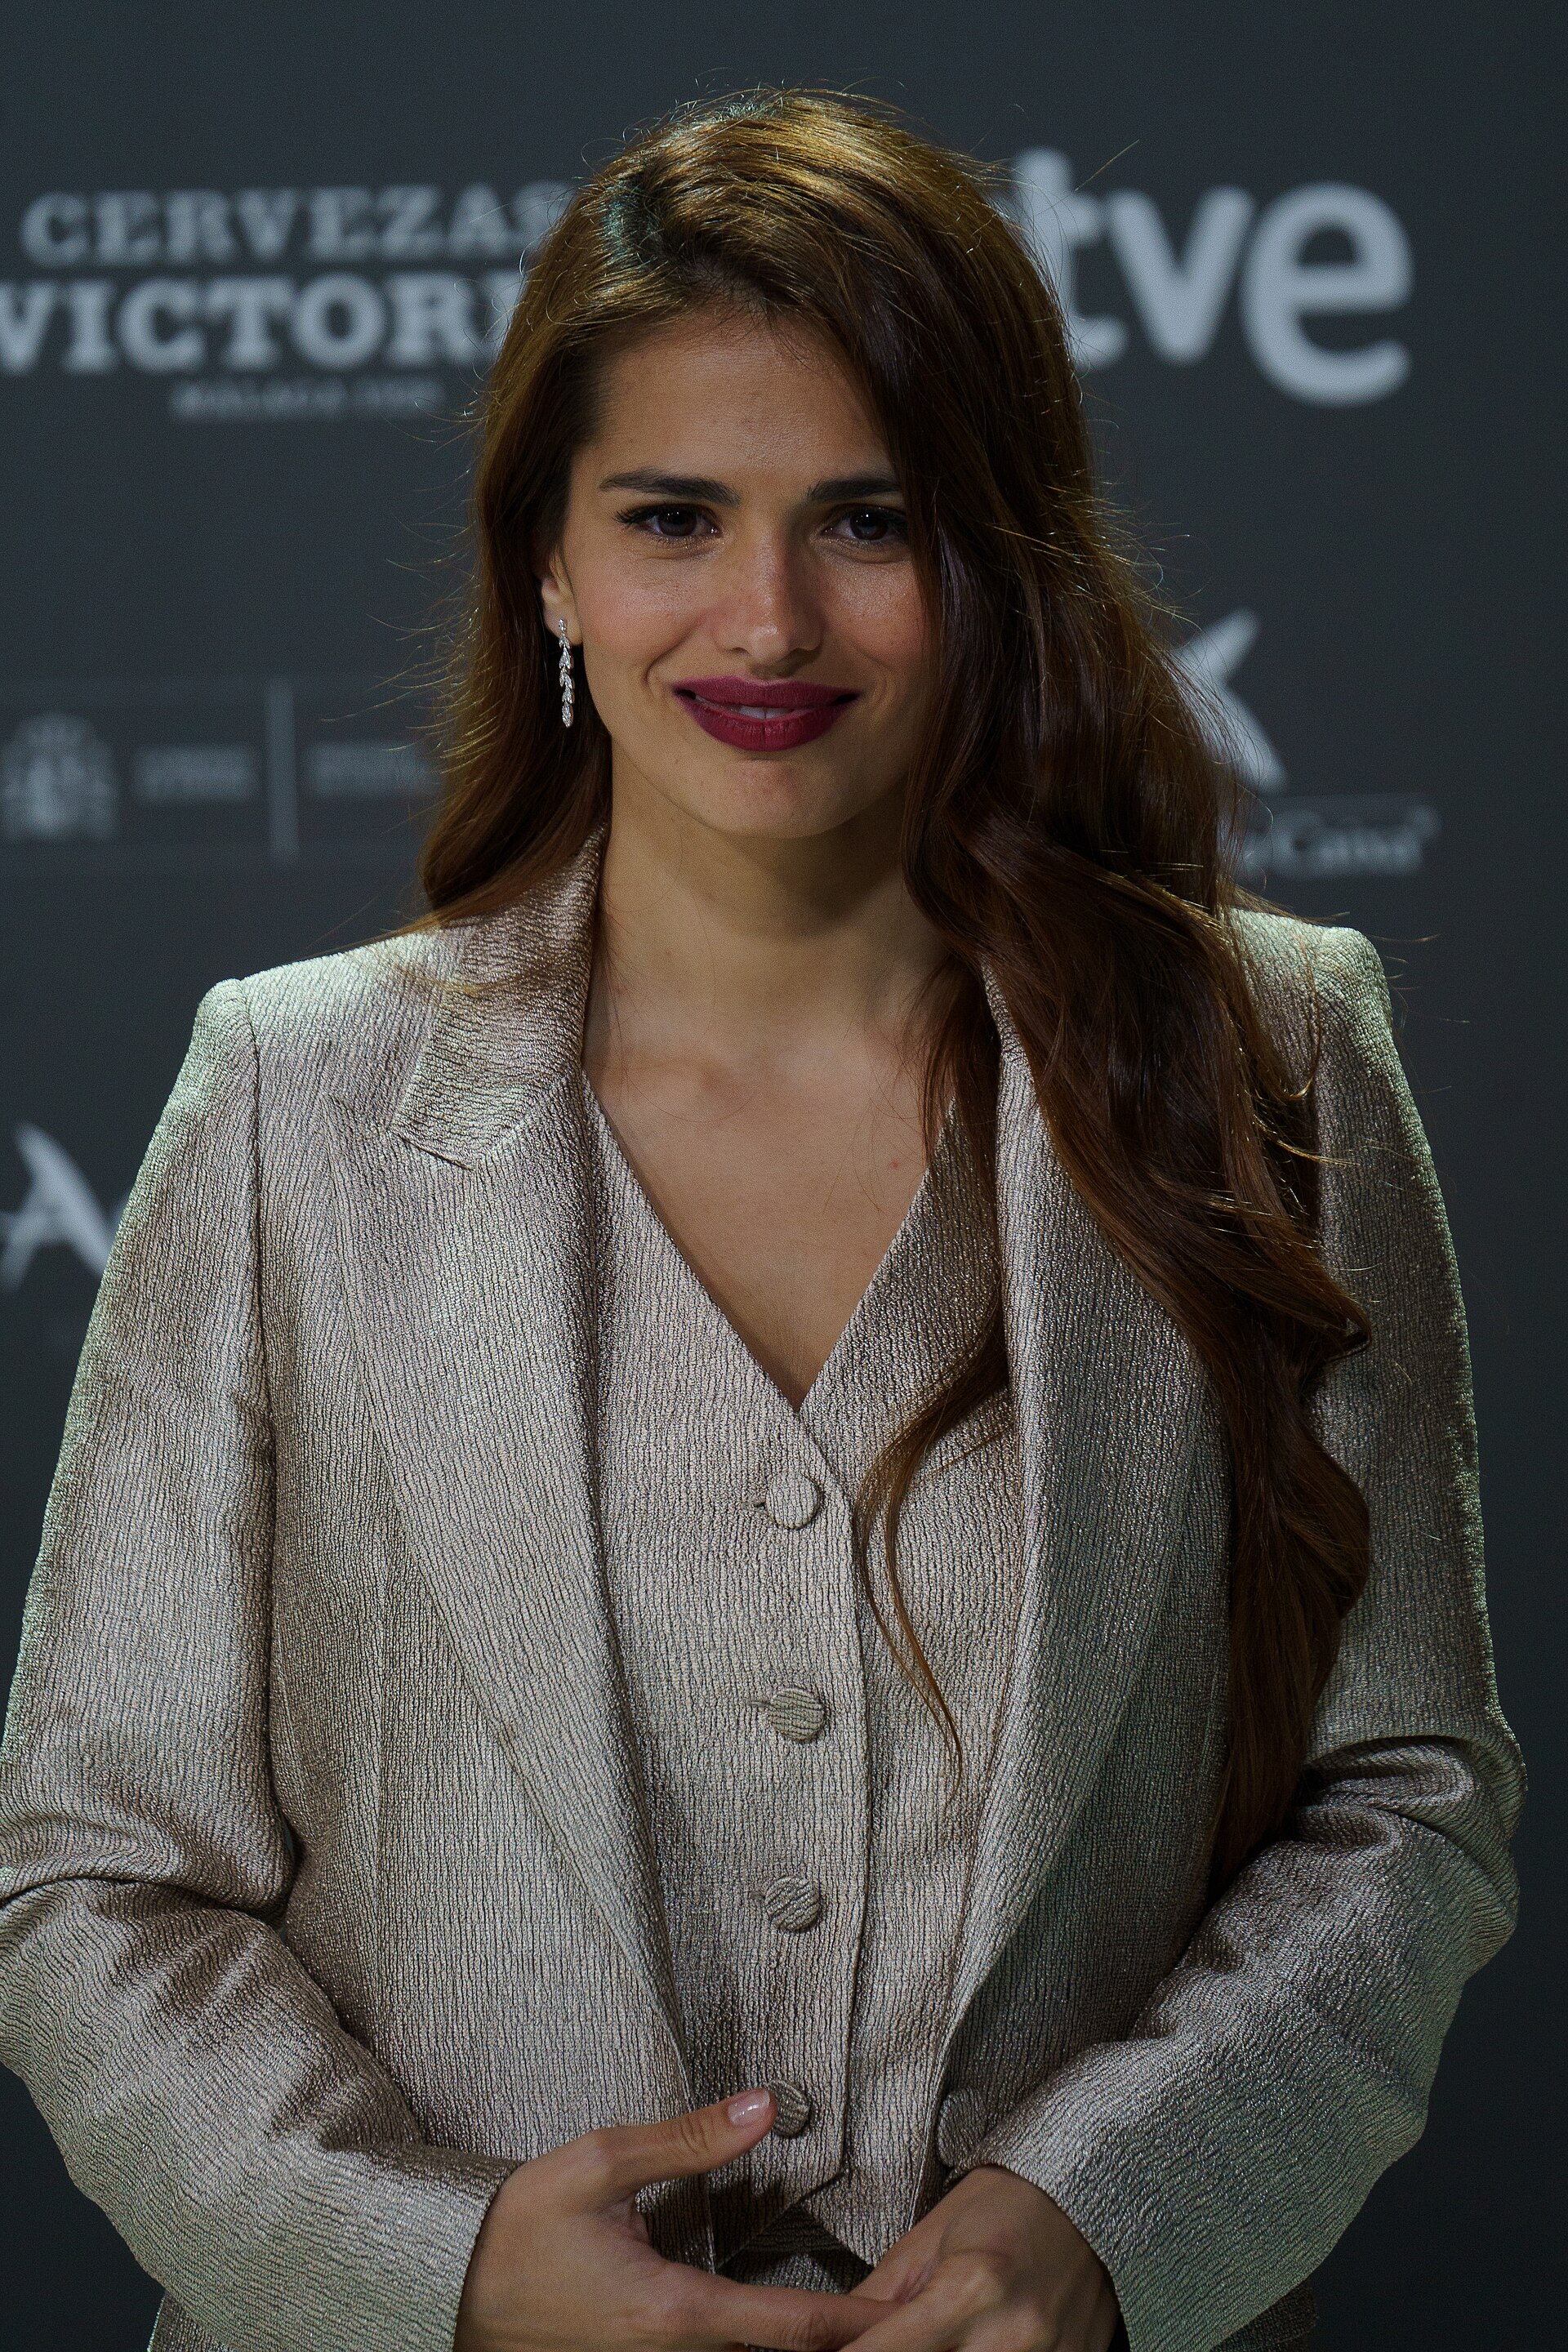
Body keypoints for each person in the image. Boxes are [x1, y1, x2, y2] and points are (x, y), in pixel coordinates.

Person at [0, 90, 1522, 2352]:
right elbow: (92, 1876)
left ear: (995, 554)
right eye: (675, 516)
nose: (767, 614)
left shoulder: (1270, 1058)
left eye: (869, 520)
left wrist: (1107, 2211)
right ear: (549, 564)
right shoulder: (290, 1099)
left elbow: (1409, 1795)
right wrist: (440, 2269)